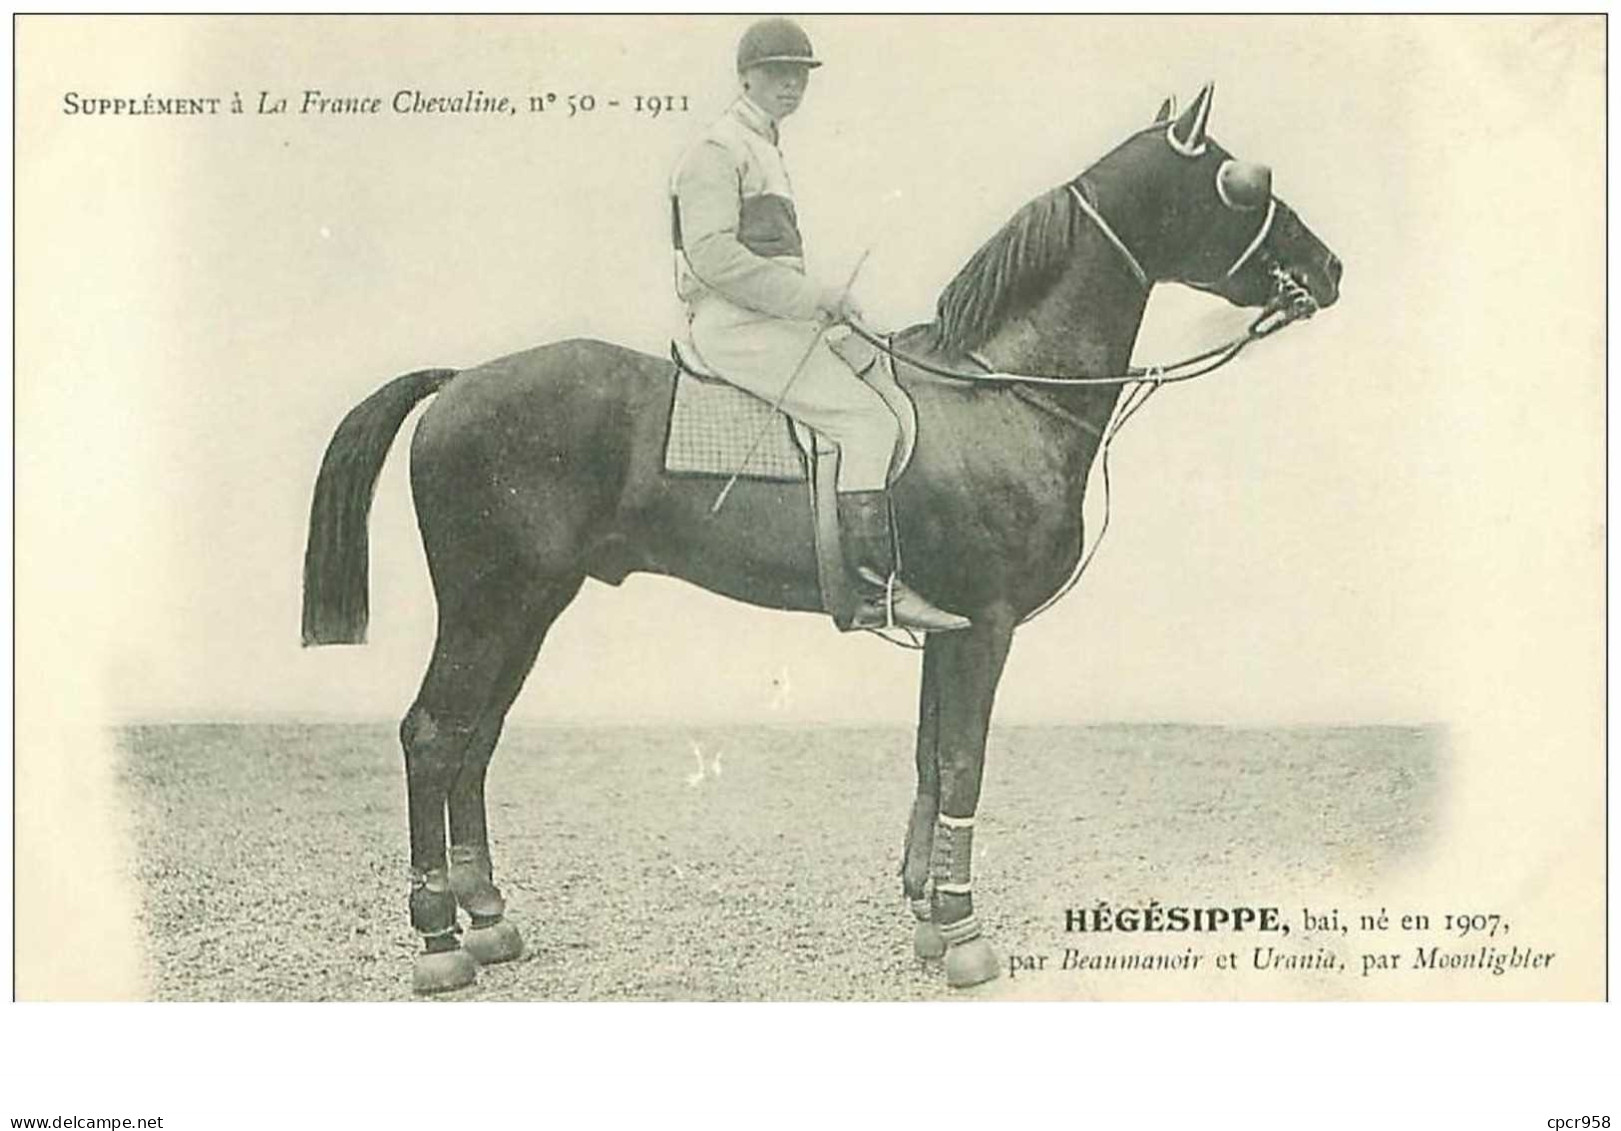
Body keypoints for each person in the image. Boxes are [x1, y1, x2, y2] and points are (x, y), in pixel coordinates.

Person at [669, 17, 969, 633]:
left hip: (771, 318)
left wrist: (823, 308)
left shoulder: (765, 149)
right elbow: (713, 257)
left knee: (882, 367)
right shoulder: (717, 150)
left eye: (799, 74)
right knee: (866, 422)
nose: (790, 85)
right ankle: (871, 593)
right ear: (745, 75)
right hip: (735, 326)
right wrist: (814, 298)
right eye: (778, 72)